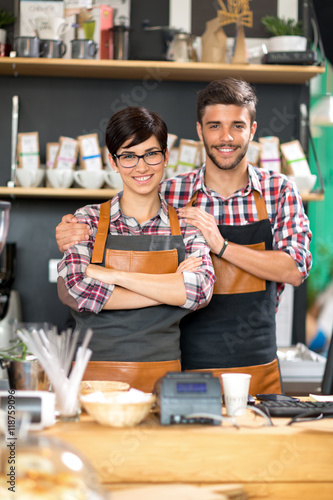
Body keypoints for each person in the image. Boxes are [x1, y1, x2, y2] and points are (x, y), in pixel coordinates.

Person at [56, 78, 312, 395]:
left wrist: (222, 245)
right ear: (200, 130)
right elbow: (116, 232)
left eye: (238, 125)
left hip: (255, 363)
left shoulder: (279, 190)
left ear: (253, 129)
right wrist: (71, 232)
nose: (227, 136)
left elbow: (295, 269)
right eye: (215, 125)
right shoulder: (170, 192)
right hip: (183, 361)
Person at [57, 106, 215, 392]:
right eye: (128, 156)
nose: (141, 167)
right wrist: (170, 290)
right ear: (113, 162)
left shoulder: (188, 226)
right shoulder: (87, 221)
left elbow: (199, 291)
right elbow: (78, 290)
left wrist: (114, 276)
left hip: (164, 381)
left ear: (166, 157)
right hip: (91, 380)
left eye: (151, 154)